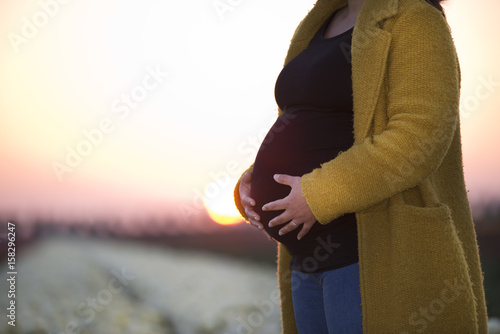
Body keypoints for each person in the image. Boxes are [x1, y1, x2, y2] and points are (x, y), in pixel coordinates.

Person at [233, 0, 489, 332]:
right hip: (304, 265)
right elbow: (302, 122)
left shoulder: (415, 18)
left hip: (366, 256)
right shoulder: (318, 21)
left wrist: (317, 194)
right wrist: (253, 181)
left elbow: (419, 136)